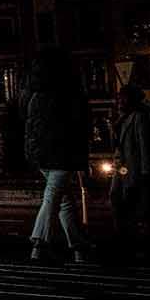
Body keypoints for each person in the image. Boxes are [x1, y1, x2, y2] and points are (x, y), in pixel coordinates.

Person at [24, 47, 93, 264]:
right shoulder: (72, 94)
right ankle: (39, 241)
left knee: (63, 200)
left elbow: (30, 126)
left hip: (42, 155)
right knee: (54, 197)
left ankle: (79, 247)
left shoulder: (35, 95)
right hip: (65, 154)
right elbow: (81, 125)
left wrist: (32, 152)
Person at [110, 85, 150, 263]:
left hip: (133, 169)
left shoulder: (139, 118)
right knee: (116, 198)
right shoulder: (123, 117)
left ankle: (135, 243)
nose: (119, 101)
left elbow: (145, 146)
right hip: (122, 169)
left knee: (132, 205)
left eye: (123, 97)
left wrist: (145, 172)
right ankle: (124, 237)